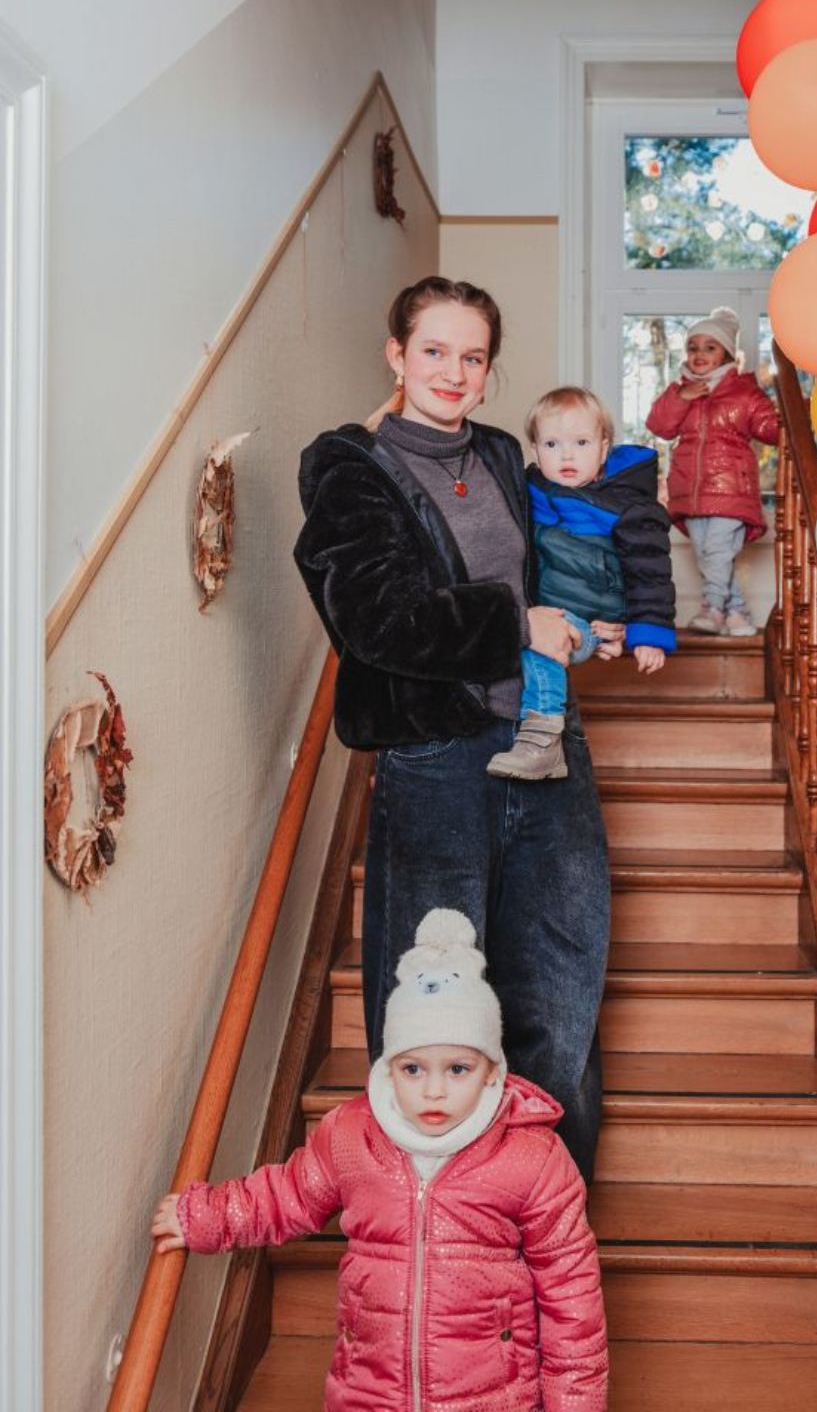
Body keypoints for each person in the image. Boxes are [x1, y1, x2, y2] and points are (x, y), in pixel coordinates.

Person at [293, 277, 611, 1178]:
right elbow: (374, 619)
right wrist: (514, 625)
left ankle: (544, 1212)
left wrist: (595, 614)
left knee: (559, 985)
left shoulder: (510, 455)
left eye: (472, 357)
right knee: (433, 998)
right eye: (433, 350)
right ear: (397, 356)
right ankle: (428, 1217)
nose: (454, 371)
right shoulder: (350, 465)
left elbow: (558, 565)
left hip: (547, 739)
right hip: (437, 758)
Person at [151, 909, 608, 1412]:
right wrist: (204, 1217)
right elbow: (285, 1195)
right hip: (369, 1393)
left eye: (458, 1068)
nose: (435, 1089)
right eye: (413, 1068)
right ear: (390, 1070)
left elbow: (572, 1301)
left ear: (491, 1072)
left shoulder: (532, 1158)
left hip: (490, 1397)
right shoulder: (353, 1137)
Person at [487, 386, 676, 782]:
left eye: (581, 442)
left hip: (594, 619)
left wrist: (647, 633)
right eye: (552, 443)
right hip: (550, 606)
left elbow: (649, 570)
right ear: (536, 450)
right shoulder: (531, 493)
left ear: (604, 448)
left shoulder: (627, 506)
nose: (567, 455)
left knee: (540, 645)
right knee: (523, 630)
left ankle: (542, 737)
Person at [646, 307, 779, 637]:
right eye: (693, 347)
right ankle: (737, 614)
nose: (699, 354)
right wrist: (681, 397)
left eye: (710, 347)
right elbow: (659, 426)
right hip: (690, 491)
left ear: (726, 354)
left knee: (717, 553)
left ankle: (712, 609)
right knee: (709, 557)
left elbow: (771, 430)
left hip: (731, 489)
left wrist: (793, 415)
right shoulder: (680, 389)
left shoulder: (744, 392)